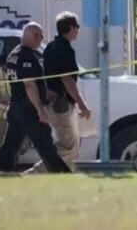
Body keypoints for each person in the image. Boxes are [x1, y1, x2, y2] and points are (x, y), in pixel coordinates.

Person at [0, 23, 72, 174]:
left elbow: (27, 84)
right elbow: (29, 85)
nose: (41, 40)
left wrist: (48, 94)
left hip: (16, 108)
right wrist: (40, 109)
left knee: (10, 146)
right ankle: (63, 175)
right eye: (41, 37)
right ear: (35, 36)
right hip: (29, 109)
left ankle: (0, 173)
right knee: (46, 147)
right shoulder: (26, 56)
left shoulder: (14, 54)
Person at [26, 12, 91, 173]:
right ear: (70, 27)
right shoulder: (65, 49)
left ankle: (64, 178)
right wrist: (82, 105)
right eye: (77, 26)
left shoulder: (50, 47)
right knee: (67, 148)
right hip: (61, 104)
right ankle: (33, 175)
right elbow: (67, 79)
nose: (78, 30)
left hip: (53, 102)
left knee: (71, 148)